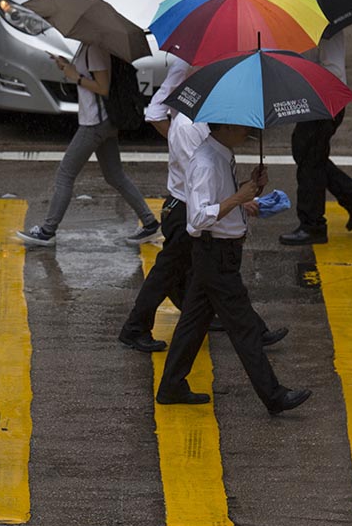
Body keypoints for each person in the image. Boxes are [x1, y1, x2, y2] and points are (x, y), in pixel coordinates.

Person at [119, 58, 287, 353]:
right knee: (172, 273)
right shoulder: (188, 128)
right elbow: (199, 182)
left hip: (188, 206)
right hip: (184, 208)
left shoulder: (200, 120)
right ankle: (135, 328)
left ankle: (241, 327)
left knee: (197, 277)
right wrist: (239, 201)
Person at [156, 123, 309, 415]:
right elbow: (199, 217)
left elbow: (219, 199)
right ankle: (274, 395)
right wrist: (239, 198)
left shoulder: (221, 153)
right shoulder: (205, 162)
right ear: (225, 126)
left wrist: (251, 187)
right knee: (244, 329)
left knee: (193, 323)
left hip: (218, 254)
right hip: (216, 256)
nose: (248, 133)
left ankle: (171, 386)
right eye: (242, 128)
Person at [16, 44, 161, 247]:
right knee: (115, 175)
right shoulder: (89, 47)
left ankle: (47, 231)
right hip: (102, 122)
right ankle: (150, 222)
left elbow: (103, 87)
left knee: (65, 174)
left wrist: (75, 76)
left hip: (95, 124)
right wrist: (67, 66)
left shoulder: (95, 50)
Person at [280, 31, 352, 245]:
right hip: (315, 99)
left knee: (310, 160)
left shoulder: (327, 29)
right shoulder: (310, 24)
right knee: (305, 152)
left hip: (324, 100)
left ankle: (313, 225)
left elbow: (332, 70)